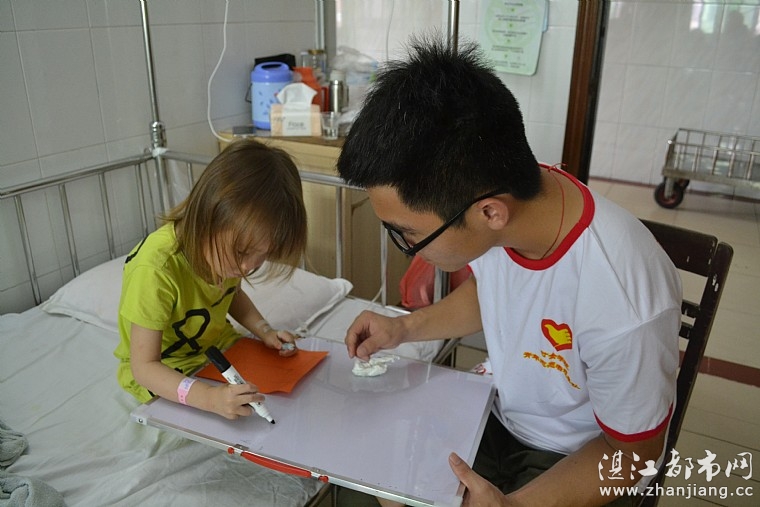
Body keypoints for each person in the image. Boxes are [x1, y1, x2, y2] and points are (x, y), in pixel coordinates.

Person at [335, 34, 681, 506]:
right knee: (360, 481)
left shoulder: (623, 297)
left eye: (410, 234)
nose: (408, 249)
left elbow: (636, 455)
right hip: (495, 412)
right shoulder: (505, 198)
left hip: (577, 456)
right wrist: (404, 328)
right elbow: (495, 294)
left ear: (490, 213)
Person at [114, 138, 308, 420]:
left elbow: (232, 295)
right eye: (241, 252)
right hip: (165, 371)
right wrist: (209, 399)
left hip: (217, 353)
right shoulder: (155, 269)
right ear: (207, 217)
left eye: (263, 255)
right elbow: (144, 368)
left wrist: (264, 330)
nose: (247, 267)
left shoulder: (222, 256)